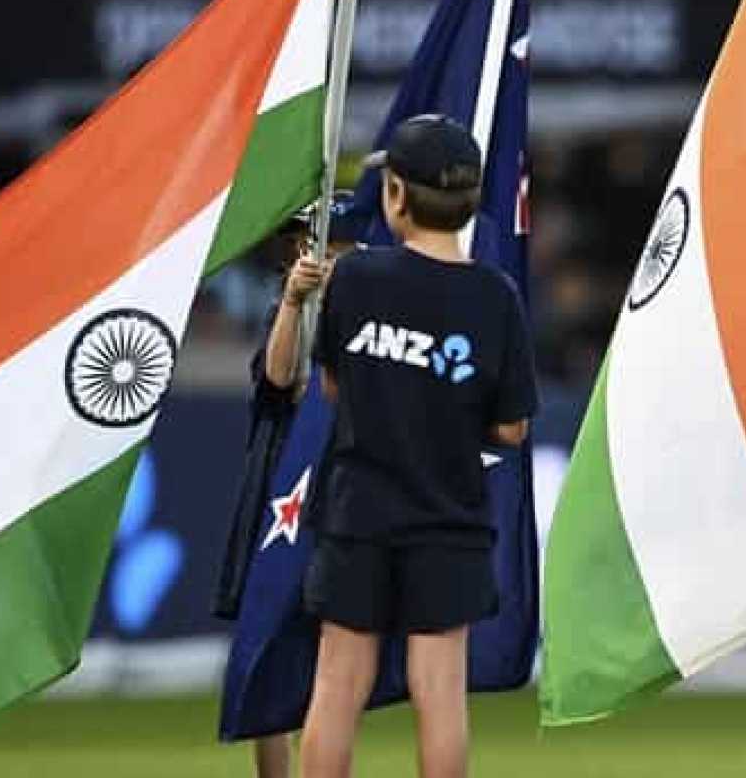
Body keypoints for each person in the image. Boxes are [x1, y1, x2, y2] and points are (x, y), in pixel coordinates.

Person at [298, 114, 539, 778]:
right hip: (449, 519)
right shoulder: (495, 296)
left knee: (337, 685)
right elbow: (513, 428)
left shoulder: (356, 277)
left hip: (358, 514)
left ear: (396, 194)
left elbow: (332, 385)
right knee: (440, 692)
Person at [211, 192, 362, 778]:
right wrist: (296, 303)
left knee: (335, 641)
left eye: (331, 246)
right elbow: (278, 380)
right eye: (310, 244)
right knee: (268, 632)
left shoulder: (371, 317)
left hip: (342, 477)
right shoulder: (287, 307)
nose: (317, 255)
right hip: (284, 483)